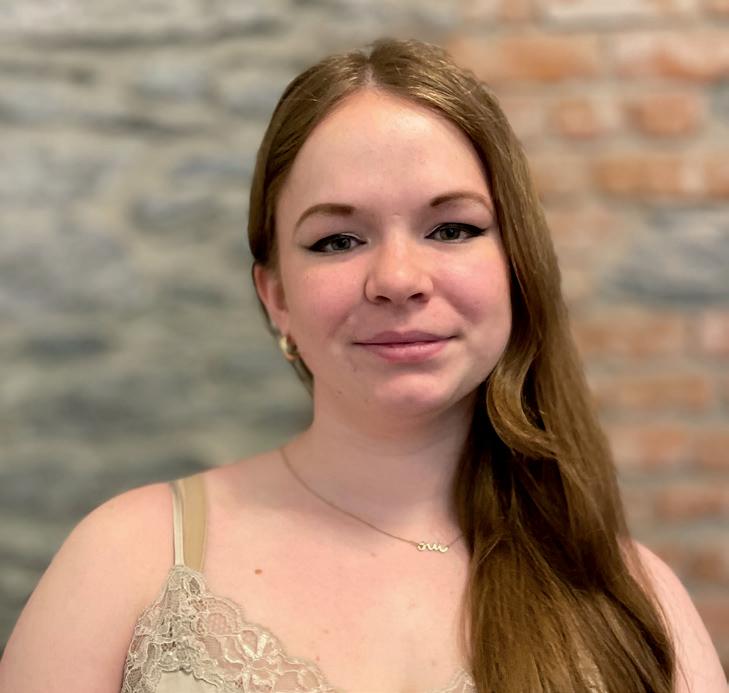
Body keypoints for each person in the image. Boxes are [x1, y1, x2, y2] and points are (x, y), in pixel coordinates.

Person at [0, 37, 726, 693]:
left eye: (452, 228)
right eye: (338, 241)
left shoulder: (630, 600)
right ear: (276, 296)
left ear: (516, 266)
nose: (398, 279)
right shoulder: (128, 557)